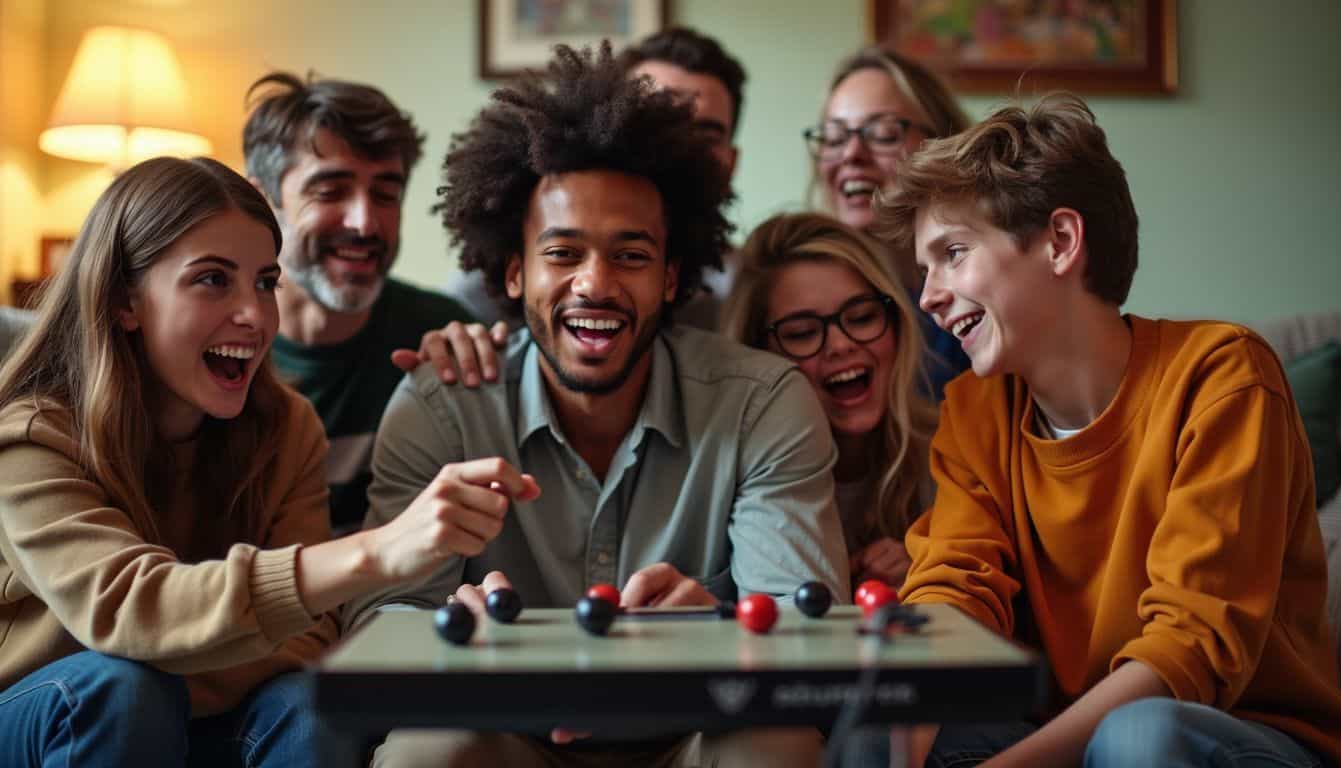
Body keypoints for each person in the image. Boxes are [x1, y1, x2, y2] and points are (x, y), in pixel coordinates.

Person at [346, 42, 848, 767]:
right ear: (512, 273)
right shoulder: (442, 404)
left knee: (779, 743)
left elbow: (808, 637)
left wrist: (716, 629)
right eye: (562, 253)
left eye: (632, 255)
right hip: (502, 732)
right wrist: (450, 634)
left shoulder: (762, 403)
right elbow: (377, 630)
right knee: (427, 752)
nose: (594, 283)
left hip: (697, 730)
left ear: (674, 278)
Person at [0, 157, 546, 767]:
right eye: (212, 279)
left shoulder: (287, 429)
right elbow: (130, 607)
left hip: (187, 712)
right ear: (126, 301)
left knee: (312, 702)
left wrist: (177, 652)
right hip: (46, 718)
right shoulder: (31, 439)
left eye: (265, 282)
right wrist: (380, 550)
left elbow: (310, 638)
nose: (255, 315)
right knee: (121, 689)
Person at [882, 93, 1341, 766]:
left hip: (1234, 733)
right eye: (924, 269)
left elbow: (1189, 652)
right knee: (884, 710)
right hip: (1058, 734)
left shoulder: (1222, 378)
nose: (928, 296)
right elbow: (954, 590)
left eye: (952, 253)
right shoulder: (973, 412)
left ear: (1061, 243)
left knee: (1139, 739)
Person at [244, 72, 496, 535]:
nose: (365, 222)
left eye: (385, 194)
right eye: (330, 190)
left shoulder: (439, 334)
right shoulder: (219, 350)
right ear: (263, 202)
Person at [443, 25, 747, 332]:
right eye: (655, 121)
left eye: (706, 135)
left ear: (731, 162)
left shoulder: (748, 289)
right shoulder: (484, 288)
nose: (682, 148)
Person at [722, 212, 935, 589]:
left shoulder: (952, 452)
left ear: (898, 324)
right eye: (803, 333)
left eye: (863, 316)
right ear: (756, 357)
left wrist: (929, 572)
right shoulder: (726, 477)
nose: (841, 344)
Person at [806, 46, 972, 399]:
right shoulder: (799, 296)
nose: (851, 154)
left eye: (883, 134)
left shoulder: (977, 300)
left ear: (943, 144)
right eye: (834, 138)